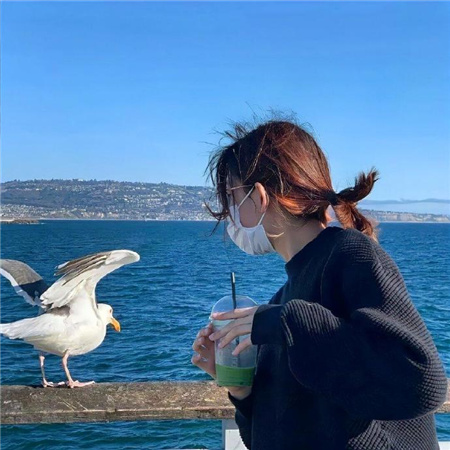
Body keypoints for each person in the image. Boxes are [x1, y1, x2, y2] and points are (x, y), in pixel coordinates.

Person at [191, 118, 448, 450]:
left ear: (259, 197)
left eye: (232, 198)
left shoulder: (350, 255)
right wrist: (244, 391)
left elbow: (420, 383)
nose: (230, 215)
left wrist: (284, 323)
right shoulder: (280, 303)